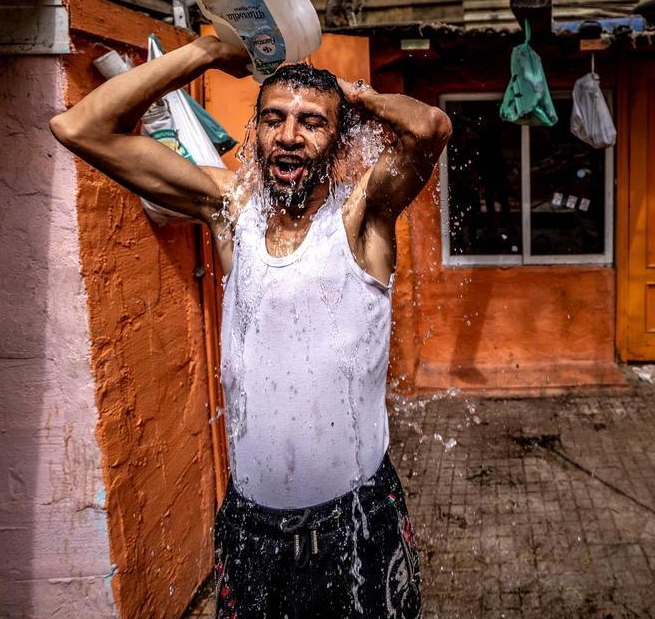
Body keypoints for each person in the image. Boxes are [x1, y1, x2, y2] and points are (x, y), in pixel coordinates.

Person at [49, 35, 451, 618]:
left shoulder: (363, 216)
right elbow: (80, 128)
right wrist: (206, 53)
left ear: (337, 139)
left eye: (312, 122)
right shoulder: (229, 210)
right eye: (274, 119)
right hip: (251, 529)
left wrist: (353, 95)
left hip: (358, 520)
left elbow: (430, 129)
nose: (289, 135)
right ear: (257, 133)